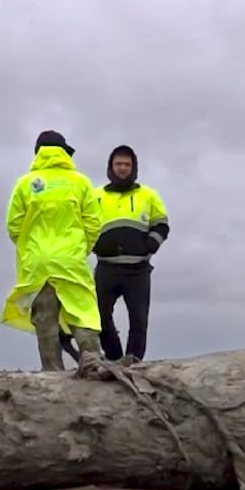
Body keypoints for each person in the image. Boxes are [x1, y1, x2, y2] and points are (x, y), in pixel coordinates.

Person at [1, 130, 103, 370]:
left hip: (38, 262)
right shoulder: (81, 182)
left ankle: (52, 371)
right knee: (82, 310)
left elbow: (13, 225)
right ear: (64, 153)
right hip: (71, 259)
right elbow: (94, 223)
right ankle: (92, 360)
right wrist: (80, 249)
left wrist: (31, 250)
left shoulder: (25, 183)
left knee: (45, 319)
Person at [92, 145, 170, 365]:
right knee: (99, 316)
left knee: (138, 320)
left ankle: (133, 361)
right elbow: (83, 225)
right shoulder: (95, 195)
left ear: (134, 167)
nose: (123, 168)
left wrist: (150, 245)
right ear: (111, 167)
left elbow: (162, 225)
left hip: (138, 270)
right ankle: (115, 357)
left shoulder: (148, 194)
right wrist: (95, 245)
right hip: (106, 267)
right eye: (119, 164)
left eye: (127, 164)